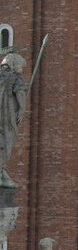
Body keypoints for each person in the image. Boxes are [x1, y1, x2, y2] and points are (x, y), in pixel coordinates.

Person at [0, 53, 28, 187]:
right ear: (14, 64)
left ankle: (2, 172)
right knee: (6, 143)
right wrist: (22, 109)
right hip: (7, 117)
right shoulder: (15, 76)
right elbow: (20, 93)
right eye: (20, 67)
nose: (21, 70)